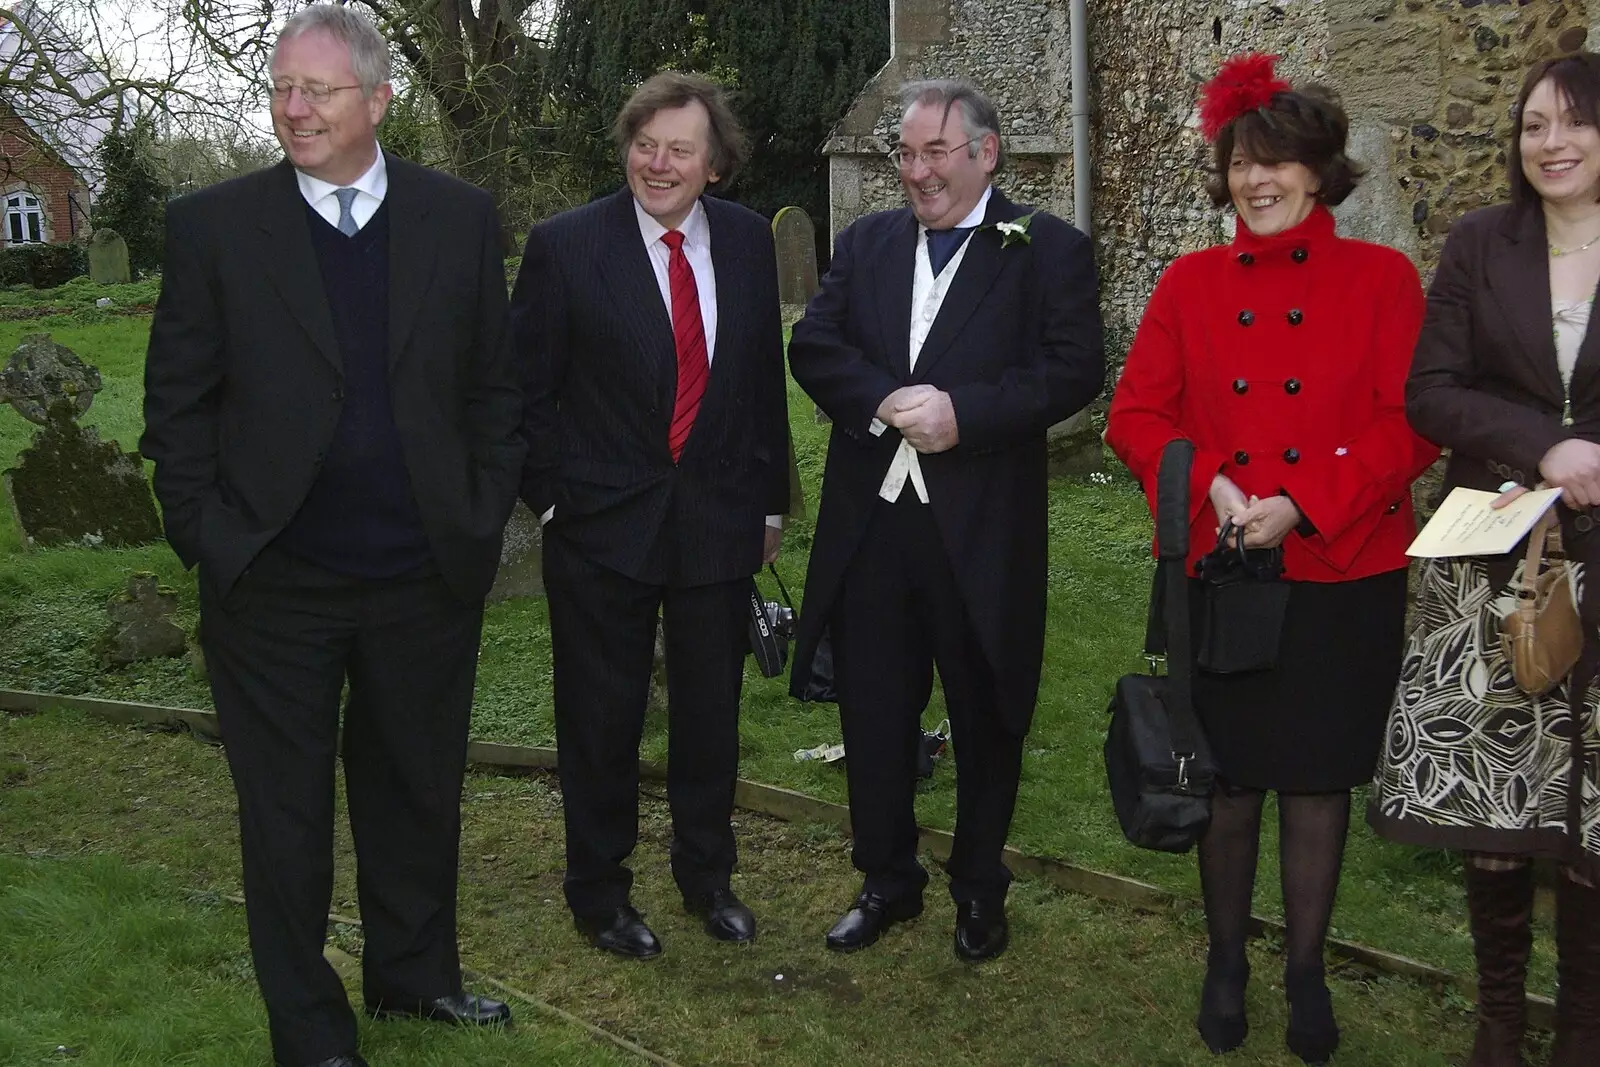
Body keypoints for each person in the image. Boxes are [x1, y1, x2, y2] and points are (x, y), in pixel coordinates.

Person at [139, 7, 521, 1066]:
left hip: (423, 577)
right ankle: (310, 1029)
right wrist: (209, 538)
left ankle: (414, 981)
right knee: (286, 817)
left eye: (319, 91)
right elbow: (176, 403)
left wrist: (480, 514)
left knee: (415, 794)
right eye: (282, 89)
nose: (294, 109)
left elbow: (494, 389)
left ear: (379, 101)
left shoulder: (457, 217)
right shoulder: (214, 225)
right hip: (274, 584)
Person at [1105, 53, 1437, 1065]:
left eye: (1278, 164)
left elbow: (1408, 424)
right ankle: (1222, 958)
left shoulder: (1381, 279)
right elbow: (1134, 414)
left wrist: (1306, 501)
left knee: (1314, 782)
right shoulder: (1188, 282)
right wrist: (1205, 483)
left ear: (1319, 172)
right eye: (1243, 164)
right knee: (1231, 778)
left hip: (1343, 572)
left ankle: (1302, 968)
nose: (1258, 181)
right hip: (1224, 570)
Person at [787, 79, 1104, 963]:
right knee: (876, 711)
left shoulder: (1047, 249)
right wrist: (882, 397)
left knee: (985, 708)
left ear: (986, 154)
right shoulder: (869, 241)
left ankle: (978, 886)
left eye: (936, 153)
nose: (917, 172)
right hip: (873, 530)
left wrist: (967, 412)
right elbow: (814, 344)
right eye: (907, 155)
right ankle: (887, 878)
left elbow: (1075, 368)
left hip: (980, 527)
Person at [511, 72, 790, 959]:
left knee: (711, 716)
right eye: (646, 143)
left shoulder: (748, 244)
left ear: (715, 165)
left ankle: (707, 877)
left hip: (717, 519)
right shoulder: (565, 245)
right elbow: (521, 392)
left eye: (680, 149)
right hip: (598, 527)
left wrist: (771, 500)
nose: (658, 163)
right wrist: (554, 497)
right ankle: (598, 890)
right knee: (601, 718)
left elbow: (757, 384)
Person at [1369, 49, 1600, 1067]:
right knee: (1496, 804)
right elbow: (1431, 389)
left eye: (1572, 123)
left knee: (1595, 815)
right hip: (1498, 563)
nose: (1551, 144)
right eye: (1532, 125)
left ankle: (1584, 1028)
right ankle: (1499, 1021)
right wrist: (1538, 445)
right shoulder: (1477, 244)